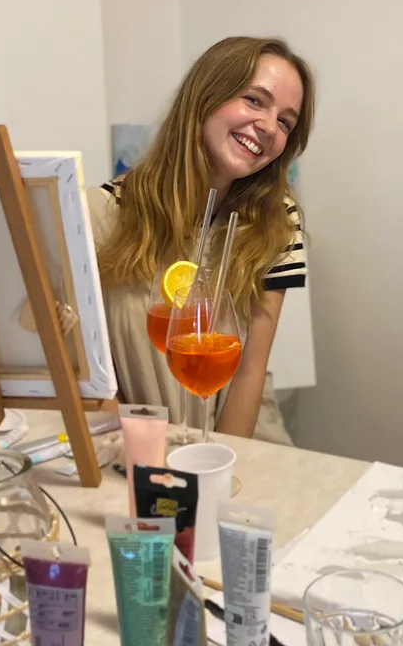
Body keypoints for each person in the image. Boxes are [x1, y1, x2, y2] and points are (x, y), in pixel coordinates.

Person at [88, 36, 314, 444]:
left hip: (240, 443)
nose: (268, 127)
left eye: (285, 122)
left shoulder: (277, 222)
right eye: (255, 100)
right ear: (206, 95)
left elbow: (249, 371)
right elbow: (92, 378)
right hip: (135, 451)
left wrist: (217, 461)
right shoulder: (102, 215)